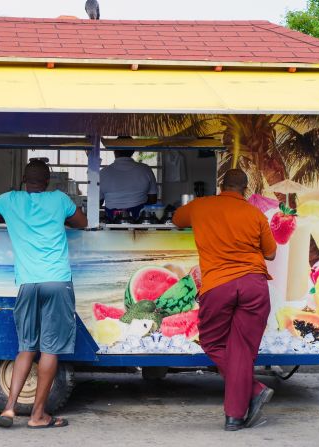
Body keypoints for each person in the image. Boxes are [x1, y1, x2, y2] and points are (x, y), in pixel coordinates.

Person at [0, 160, 87, 429]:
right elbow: (82, 222)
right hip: (57, 281)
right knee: (50, 350)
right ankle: (37, 416)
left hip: (27, 283)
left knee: (26, 348)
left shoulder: (9, 200)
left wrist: (7, 216)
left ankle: (9, 410)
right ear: (47, 181)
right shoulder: (59, 199)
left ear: (24, 179)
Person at [172, 169, 277, 431]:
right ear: (245, 189)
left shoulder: (201, 206)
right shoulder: (255, 214)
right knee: (241, 349)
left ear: (221, 185)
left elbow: (176, 219)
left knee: (211, 341)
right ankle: (237, 410)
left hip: (218, 285)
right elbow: (271, 253)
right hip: (254, 285)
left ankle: (246, 402)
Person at [100, 149, 158, 221]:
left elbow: (98, 201)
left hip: (112, 219)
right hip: (140, 219)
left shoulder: (103, 172)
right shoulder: (145, 169)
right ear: (133, 151)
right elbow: (153, 199)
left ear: (115, 151)